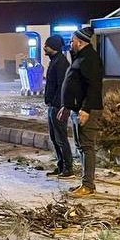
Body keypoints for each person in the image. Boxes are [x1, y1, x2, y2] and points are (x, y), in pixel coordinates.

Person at [58, 27, 103, 198]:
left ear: (79, 42)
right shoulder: (80, 58)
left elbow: (94, 86)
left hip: (87, 110)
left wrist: (86, 109)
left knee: (87, 147)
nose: (70, 43)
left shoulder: (90, 59)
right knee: (81, 146)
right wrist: (67, 105)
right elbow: (74, 84)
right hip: (78, 109)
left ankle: (88, 186)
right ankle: (85, 183)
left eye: (71, 41)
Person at [42, 35, 73, 178]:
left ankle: (68, 168)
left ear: (53, 47)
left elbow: (63, 86)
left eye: (46, 45)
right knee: (55, 138)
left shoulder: (61, 63)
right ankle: (61, 166)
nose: (44, 48)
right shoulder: (55, 61)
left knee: (61, 138)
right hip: (52, 106)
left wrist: (60, 105)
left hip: (58, 107)